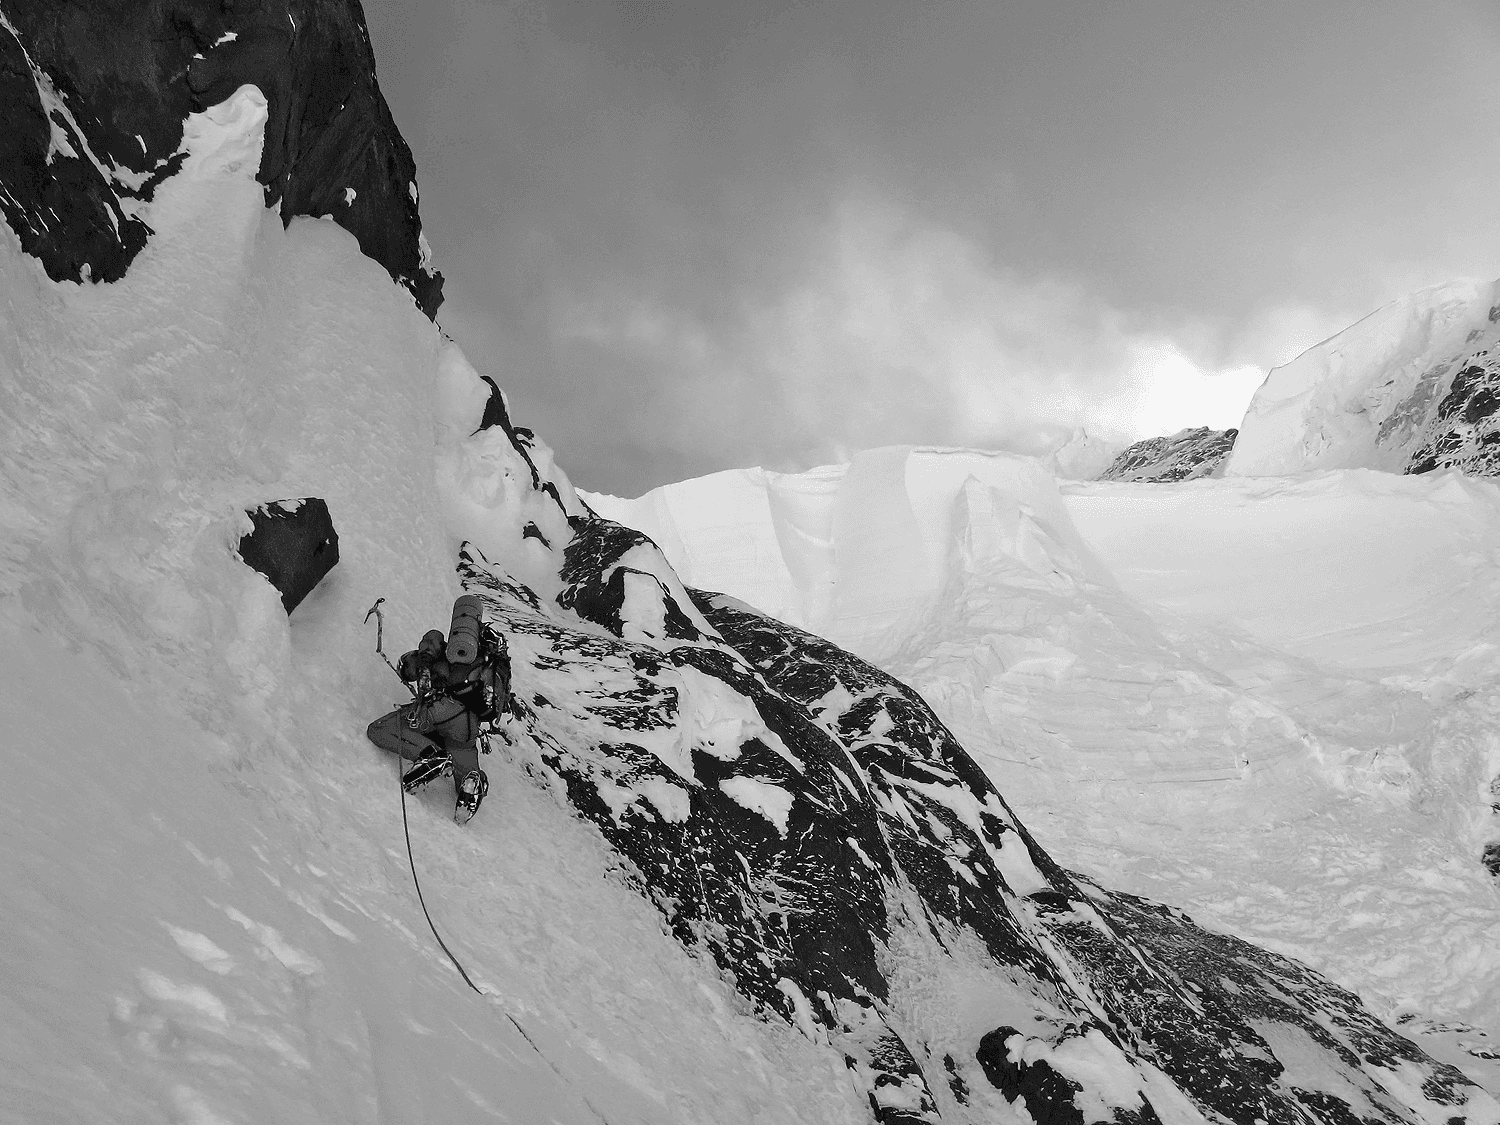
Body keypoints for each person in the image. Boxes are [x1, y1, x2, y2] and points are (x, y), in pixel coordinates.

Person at [366, 616, 510, 825]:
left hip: (441, 711)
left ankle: (430, 756)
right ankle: (473, 781)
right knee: (463, 767)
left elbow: (415, 662)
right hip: (468, 727)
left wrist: (421, 664)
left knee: (379, 729)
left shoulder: (431, 656)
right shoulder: (471, 660)